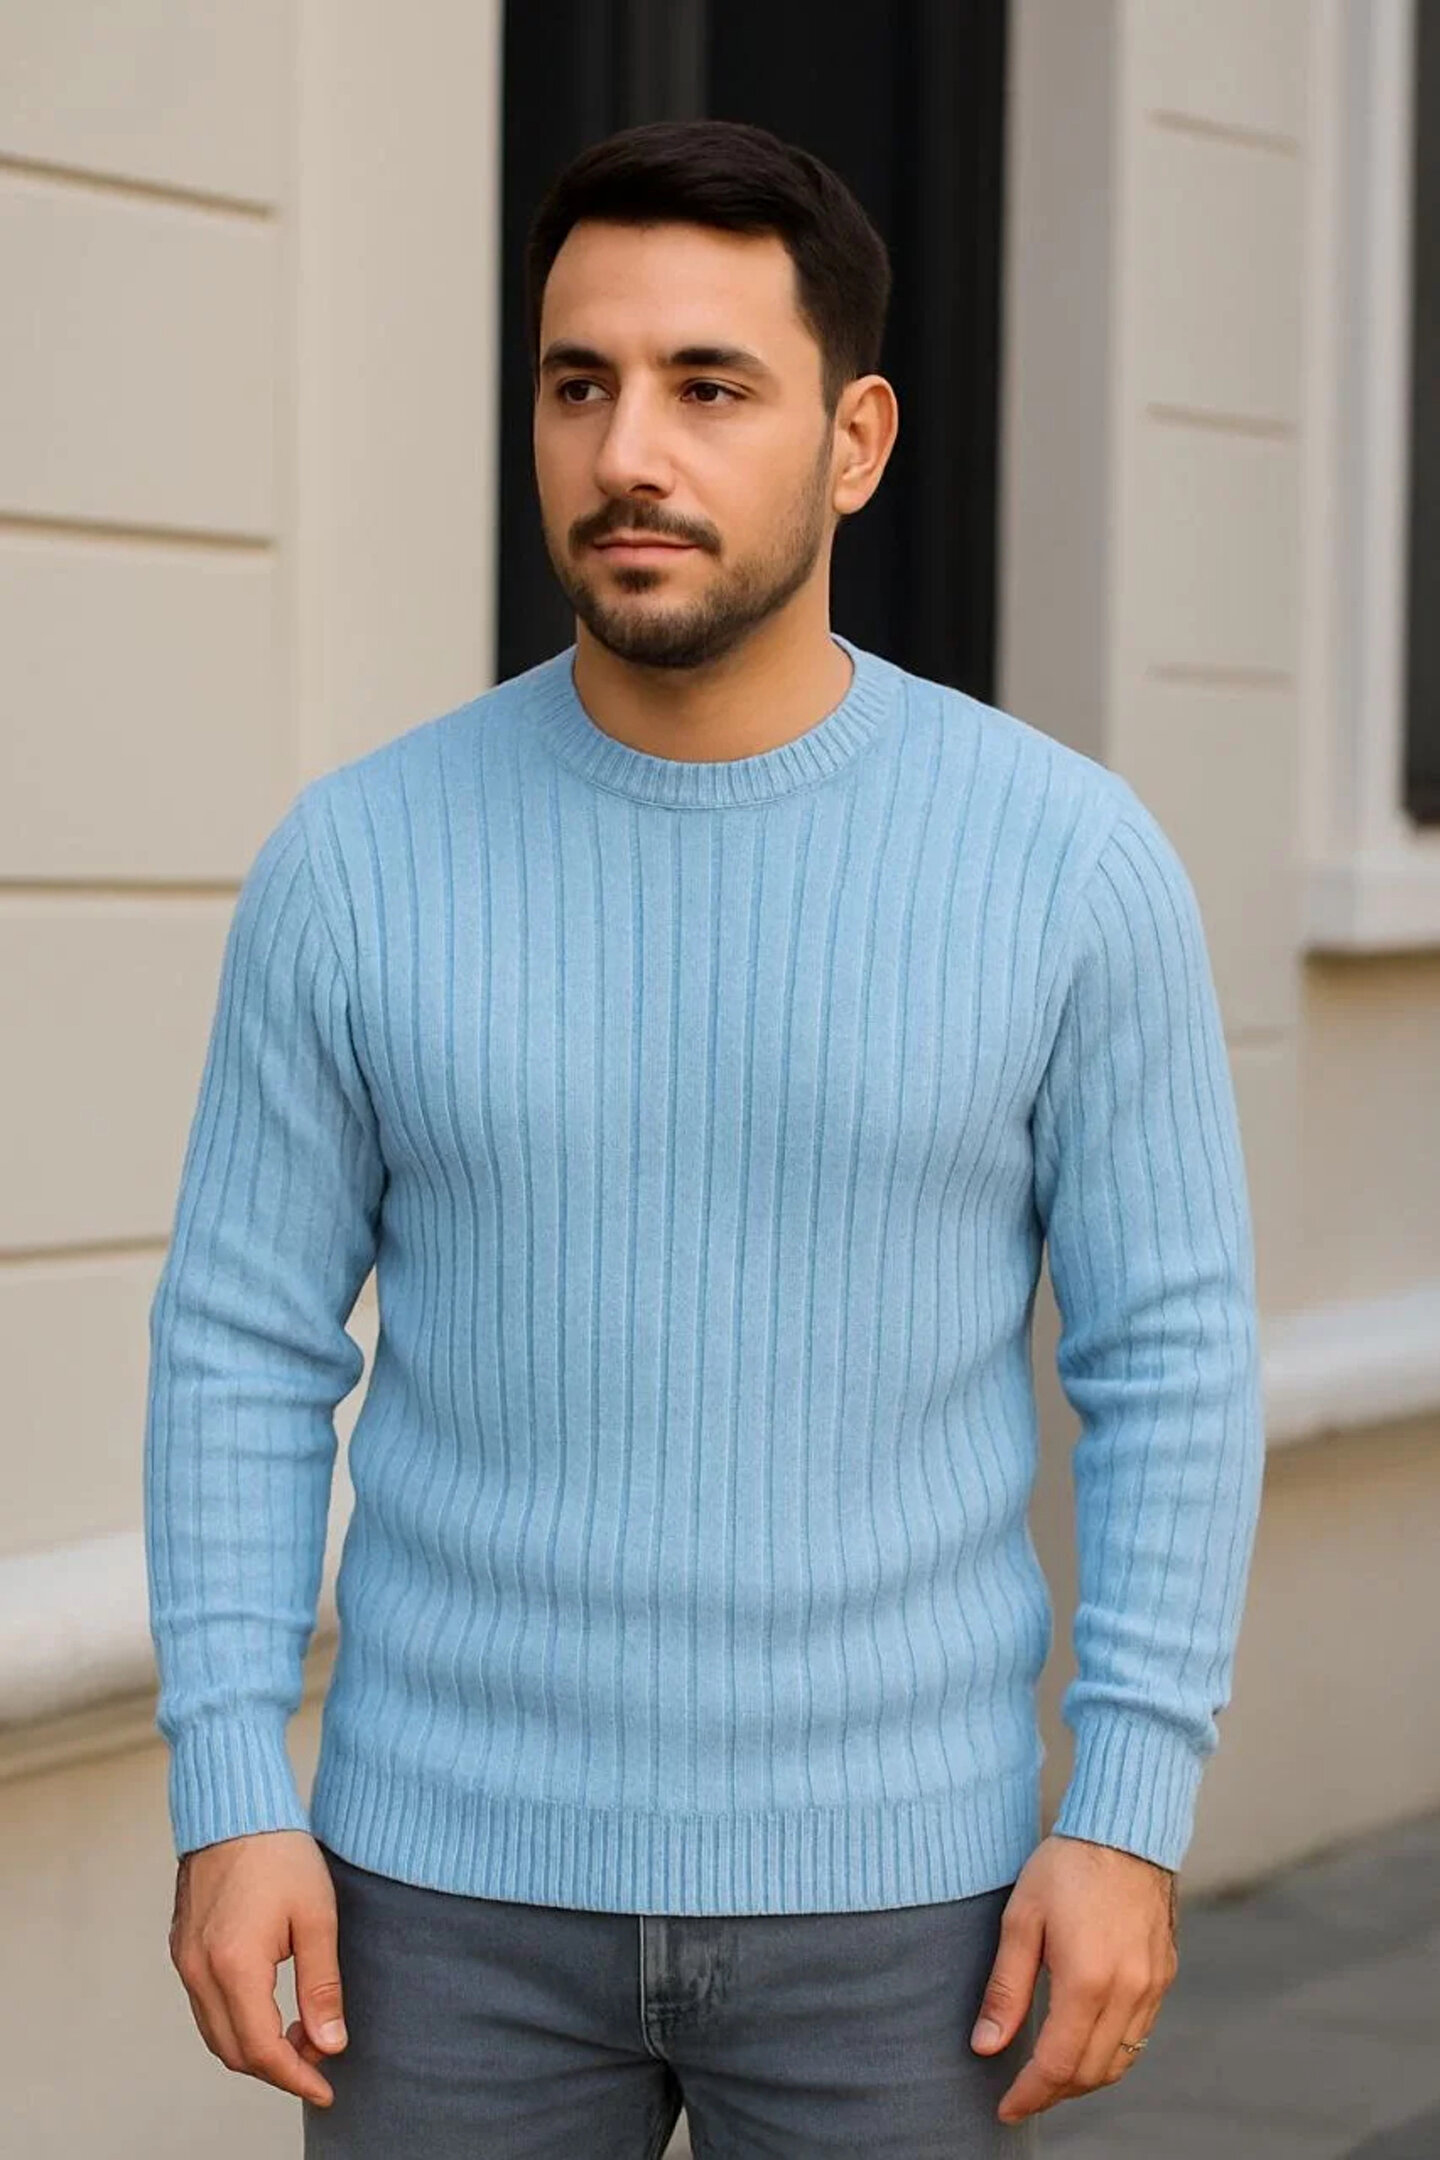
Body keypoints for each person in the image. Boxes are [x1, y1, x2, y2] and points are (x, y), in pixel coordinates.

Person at [146, 116, 1265, 2158]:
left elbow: (1173, 1360)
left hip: (910, 1907)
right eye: (579, 384)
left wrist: (1128, 1811)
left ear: (856, 442)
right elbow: (239, 1344)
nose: (626, 451)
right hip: (436, 1903)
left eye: (709, 387)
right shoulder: (358, 862)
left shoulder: (1067, 864)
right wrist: (230, 1785)